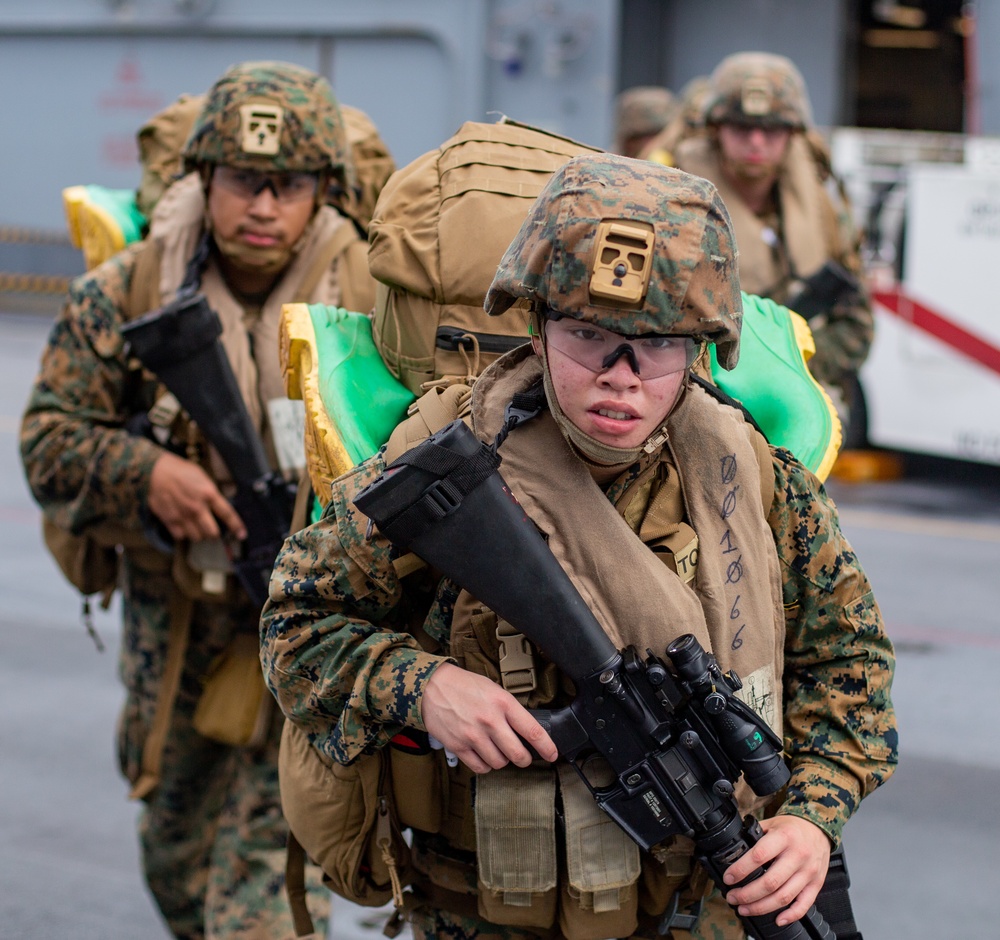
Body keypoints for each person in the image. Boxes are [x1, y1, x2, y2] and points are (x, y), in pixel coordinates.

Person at [260, 154, 898, 939]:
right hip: (490, 914)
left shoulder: (758, 477)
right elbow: (296, 626)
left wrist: (810, 817)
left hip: (713, 909)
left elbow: (851, 667)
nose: (620, 377)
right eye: (589, 336)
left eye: (656, 343)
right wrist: (422, 687)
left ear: (701, 350)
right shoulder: (445, 459)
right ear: (534, 326)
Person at [20, 60, 378, 939]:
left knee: (264, 880)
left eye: (288, 186)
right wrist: (147, 474)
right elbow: (47, 441)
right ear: (203, 180)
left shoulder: (367, 299)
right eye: (242, 183)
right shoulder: (131, 291)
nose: (263, 207)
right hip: (179, 616)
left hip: (318, 621)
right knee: (175, 854)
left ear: (322, 190)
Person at [664, 53, 873, 434]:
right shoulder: (675, 198)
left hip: (791, 401)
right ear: (716, 129)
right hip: (691, 400)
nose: (756, 141)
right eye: (741, 127)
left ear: (793, 134)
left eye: (772, 129)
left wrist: (794, 364)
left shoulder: (822, 211)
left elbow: (857, 319)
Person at [612, 85, 677, 158]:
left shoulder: (679, 160)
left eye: (663, 135)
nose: (657, 143)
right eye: (639, 138)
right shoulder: (611, 164)